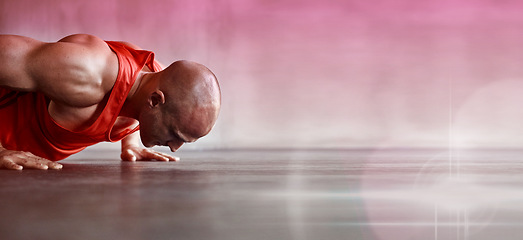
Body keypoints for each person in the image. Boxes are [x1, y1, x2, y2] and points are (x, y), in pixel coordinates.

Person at [0, 34, 221, 170]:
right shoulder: (85, 71)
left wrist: (131, 144)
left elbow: (131, 98)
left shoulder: (155, 81)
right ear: (155, 101)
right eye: (175, 135)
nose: (174, 148)